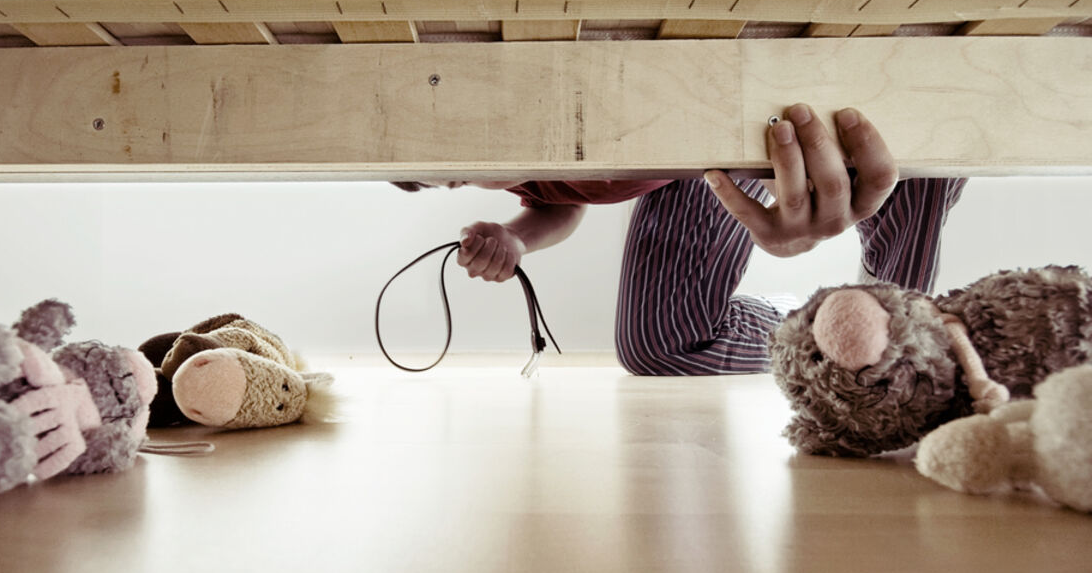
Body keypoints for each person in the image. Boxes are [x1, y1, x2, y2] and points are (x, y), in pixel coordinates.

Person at [394, 104, 966, 375]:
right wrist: (517, 240)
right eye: (461, 179)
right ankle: (809, 328)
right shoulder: (525, 176)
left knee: (895, 349)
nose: (483, 171)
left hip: (705, 123)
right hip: (693, 171)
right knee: (658, 345)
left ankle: (894, 341)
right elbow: (560, 201)